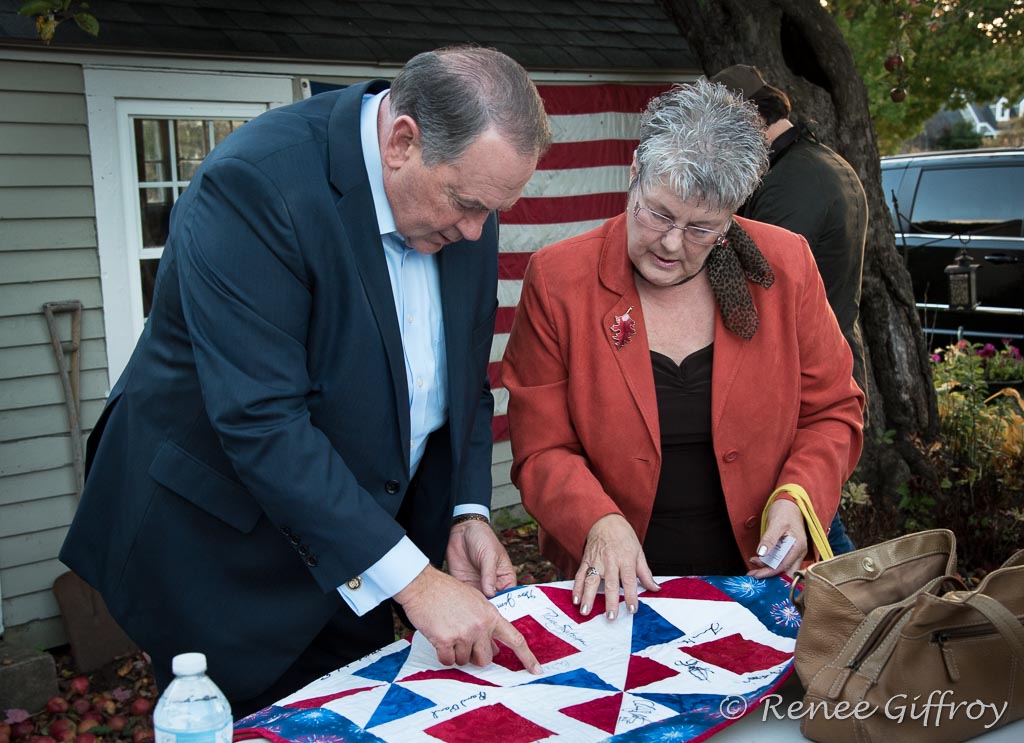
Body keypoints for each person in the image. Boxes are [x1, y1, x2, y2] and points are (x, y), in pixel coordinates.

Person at [60, 45, 551, 715]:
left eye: (490, 212)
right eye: (466, 204)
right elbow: (263, 423)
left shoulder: (466, 201)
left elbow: (463, 377)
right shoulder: (253, 186)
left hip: (360, 544)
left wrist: (465, 509)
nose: (475, 231)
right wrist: (416, 582)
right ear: (402, 141)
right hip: (223, 554)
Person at [501, 80, 864, 621]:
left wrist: (796, 495)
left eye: (702, 229)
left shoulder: (784, 265)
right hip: (616, 591)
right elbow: (541, 445)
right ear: (633, 177)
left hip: (761, 579)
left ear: (733, 214)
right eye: (657, 214)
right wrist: (597, 521)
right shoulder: (560, 279)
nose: (672, 244)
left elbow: (832, 411)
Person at [711, 63, 869, 554]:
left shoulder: (788, 185)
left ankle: (853, 616)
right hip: (822, 367)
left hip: (803, 384)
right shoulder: (823, 163)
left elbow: (759, 297)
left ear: (752, 121)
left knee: (809, 525)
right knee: (812, 518)